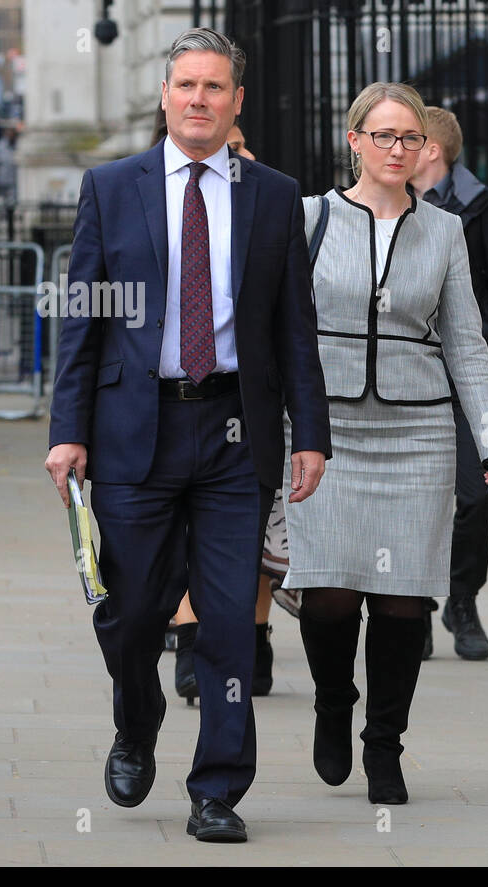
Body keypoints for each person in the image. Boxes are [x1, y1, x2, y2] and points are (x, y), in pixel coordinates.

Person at [44, 28, 332, 843]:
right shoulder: (111, 187)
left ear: (237, 101)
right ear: (165, 97)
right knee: (133, 611)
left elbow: (294, 328)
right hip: (136, 429)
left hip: (237, 435)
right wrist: (68, 431)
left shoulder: (273, 195)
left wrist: (310, 432)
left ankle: (218, 788)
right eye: (186, 86)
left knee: (230, 620)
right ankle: (136, 724)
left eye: (215, 87)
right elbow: (83, 321)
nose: (200, 99)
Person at [283, 82, 488, 806]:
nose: (396, 150)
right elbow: (281, 328)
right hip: (328, 429)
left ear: (426, 149)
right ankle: (332, 700)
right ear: (354, 141)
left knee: (402, 604)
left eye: (409, 138)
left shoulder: (443, 231)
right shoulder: (311, 218)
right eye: (382, 136)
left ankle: (385, 744)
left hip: (417, 429)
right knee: (326, 593)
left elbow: (466, 343)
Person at [163, 121, 289, 703]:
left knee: (256, 537)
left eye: (240, 146)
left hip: (253, 404)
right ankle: (190, 637)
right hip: (173, 404)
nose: (231, 155)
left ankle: (254, 635)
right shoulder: (157, 197)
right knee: (189, 535)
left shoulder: (269, 201)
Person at [409, 106, 488, 661]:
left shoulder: (482, 208)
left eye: (412, 138)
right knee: (416, 499)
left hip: (467, 377)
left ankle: (462, 599)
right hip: (404, 377)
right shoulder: (388, 204)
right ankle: (418, 609)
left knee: (476, 496)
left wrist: (478, 345)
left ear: (433, 149)